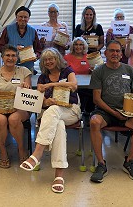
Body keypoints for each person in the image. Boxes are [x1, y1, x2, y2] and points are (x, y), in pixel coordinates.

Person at [20, 48, 81, 193]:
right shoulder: (42, 77)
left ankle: (37, 153)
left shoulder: (67, 71)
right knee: (57, 122)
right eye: (45, 60)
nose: (48, 62)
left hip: (71, 111)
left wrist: (51, 85)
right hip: (53, 116)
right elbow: (40, 103)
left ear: (57, 59)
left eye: (51, 58)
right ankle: (59, 175)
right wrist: (47, 101)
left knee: (54, 112)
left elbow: (73, 85)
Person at [89, 40, 133, 183]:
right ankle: (101, 164)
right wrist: (114, 113)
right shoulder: (98, 71)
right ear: (106, 53)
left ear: (122, 54)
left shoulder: (129, 69)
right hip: (105, 111)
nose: (115, 53)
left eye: (118, 51)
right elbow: (96, 99)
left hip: (127, 112)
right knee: (94, 122)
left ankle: (129, 161)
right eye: (112, 51)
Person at [0, 44, 32, 168]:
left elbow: (28, 97)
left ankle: (21, 149)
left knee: (13, 119)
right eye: (7, 55)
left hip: (20, 107)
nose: (10, 58)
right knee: (0, 120)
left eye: (13, 56)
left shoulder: (24, 72)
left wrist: (26, 89)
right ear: (2, 57)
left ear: (17, 58)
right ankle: (3, 152)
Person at [0, 6, 42, 72]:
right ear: (16, 17)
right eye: (21, 17)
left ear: (28, 18)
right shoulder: (8, 29)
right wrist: (13, 49)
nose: (23, 19)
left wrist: (36, 56)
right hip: (10, 67)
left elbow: (38, 49)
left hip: (28, 68)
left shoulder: (33, 31)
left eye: (25, 17)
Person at [64, 37, 94, 115]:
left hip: (86, 86)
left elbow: (93, 72)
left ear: (84, 46)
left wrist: (92, 70)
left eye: (81, 44)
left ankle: (87, 112)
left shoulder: (89, 57)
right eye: (76, 44)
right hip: (72, 85)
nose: (78, 47)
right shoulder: (67, 57)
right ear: (72, 46)